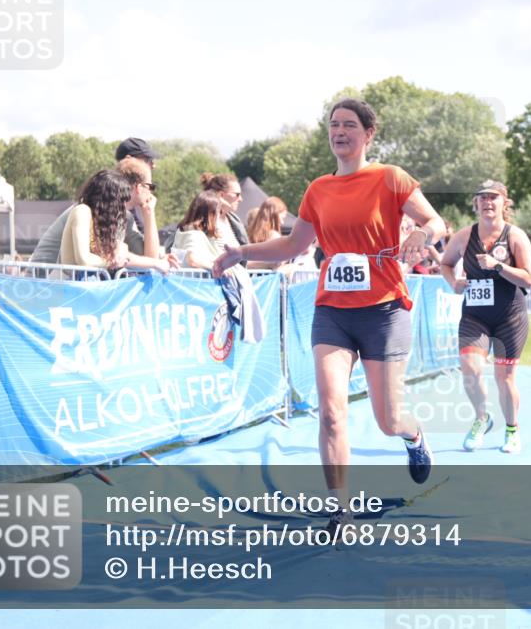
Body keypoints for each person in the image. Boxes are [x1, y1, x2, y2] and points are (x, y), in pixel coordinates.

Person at [212, 98, 445, 522]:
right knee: (332, 412)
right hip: (333, 311)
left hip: (384, 311)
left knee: (388, 419)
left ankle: (413, 435)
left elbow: (437, 223)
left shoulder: (390, 178)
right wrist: (240, 253)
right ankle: (340, 510)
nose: (339, 131)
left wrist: (423, 234)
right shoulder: (319, 189)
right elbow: (292, 245)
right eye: (334, 125)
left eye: (349, 125)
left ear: (368, 134)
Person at [439, 180, 531, 454]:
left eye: (493, 198)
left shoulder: (515, 236)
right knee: (470, 370)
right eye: (482, 198)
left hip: (509, 318)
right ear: (476, 204)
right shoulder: (464, 236)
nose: (487, 203)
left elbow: (529, 279)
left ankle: (512, 429)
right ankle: (481, 418)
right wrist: (453, 282)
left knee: (504, 378)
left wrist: (499, 266)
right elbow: (445, 264)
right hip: (475, 317)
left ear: (505, 203)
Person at [30, 138, 164, 265]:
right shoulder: (88, 209)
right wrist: (120, 261)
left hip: (63, 282)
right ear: (139, 187)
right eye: (148, 160)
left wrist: (149, 212)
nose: (153, 165)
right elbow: (91, 259)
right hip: (45, 282)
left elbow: (148, 259)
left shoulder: (124, 216)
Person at [60, 169, 170, 274]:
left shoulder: (106, 222)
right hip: (74, 286)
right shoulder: (82, 211)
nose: (123, 207)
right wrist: (114, 262)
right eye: (122, 201)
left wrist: (158, 261)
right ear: (110, 200)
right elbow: (84, 259)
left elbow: (123, 256)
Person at [171, 191, 226, 270]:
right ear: (211, 215)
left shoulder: (186, 231)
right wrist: (218, 268)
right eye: (219, 211)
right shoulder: (194, 234)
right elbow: (192, 260)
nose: (220, 215)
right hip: (195, 281)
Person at [246, 196, 289, 270]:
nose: (282, 222)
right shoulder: (274, 235)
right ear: (274, 215)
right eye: (282, 218)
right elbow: (275, 264)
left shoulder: (248, 234)